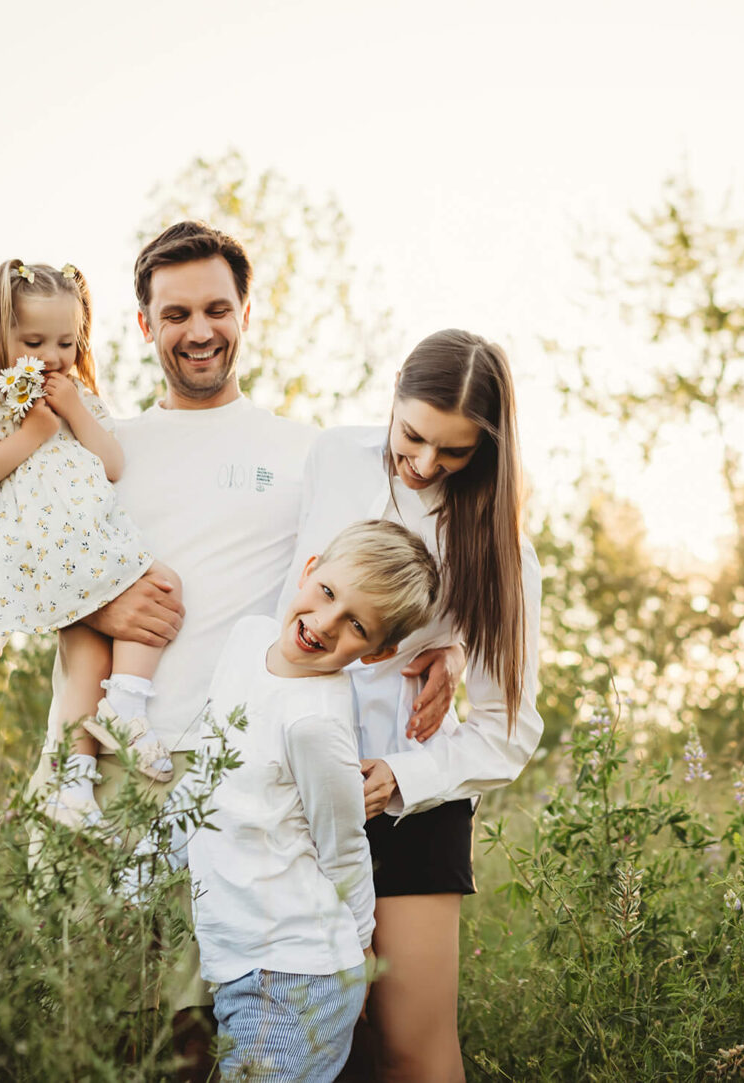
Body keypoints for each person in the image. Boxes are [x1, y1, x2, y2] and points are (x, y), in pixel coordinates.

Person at [24, 222, 460, 1079]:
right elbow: (24, 568)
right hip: (117, 771)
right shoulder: (98, 447)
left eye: (217, 308)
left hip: (243, 791)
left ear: (246, 313)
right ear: (144, 326)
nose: (199, 329)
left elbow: (416, 533)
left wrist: (452, 645)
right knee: (126, 1035)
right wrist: (104, 603)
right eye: (176, 311)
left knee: (240, 1034)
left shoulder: (308, 452)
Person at [287, 328, 544, 1083]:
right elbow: (291, 595)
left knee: (409, 1047)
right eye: (414, 436)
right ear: (393, 392)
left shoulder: (500, 549)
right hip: (292, 783)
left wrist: (398, 776)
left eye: (457, 451)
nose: (427, 463)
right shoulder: (332, 458)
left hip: (409, 808)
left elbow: (507, 728)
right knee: (308, 1039)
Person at [188, 520, 441, 1083]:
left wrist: (358, 954)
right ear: (310, 571)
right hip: (239, 963)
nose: (324, 625)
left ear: (378, 653)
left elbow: (345, 848)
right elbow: (210, 768)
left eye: (356, 626)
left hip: (294, 976)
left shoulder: (315, 724)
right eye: (328, 593)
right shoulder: (248, 639)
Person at [0, 259, 183, 831]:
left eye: (66, 342)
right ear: (1, 335)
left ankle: (73, 788)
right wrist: (32, 434)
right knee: (158, 581)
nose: (51, 355)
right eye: (33, 341)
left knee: (89, 659)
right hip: (46, 550)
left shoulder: (77, 399)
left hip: (88, 539)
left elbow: (114, 463)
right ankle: (126, 705)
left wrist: (73, 410)